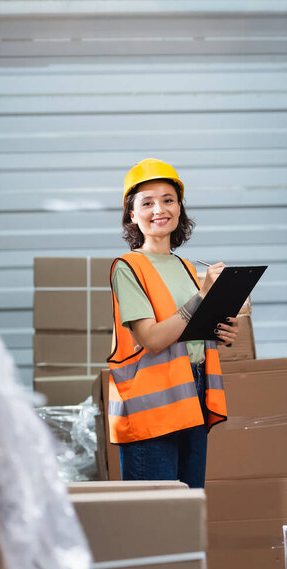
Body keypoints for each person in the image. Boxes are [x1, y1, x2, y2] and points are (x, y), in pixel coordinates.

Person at [107, 158, 239, 488]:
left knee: (188, 511)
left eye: (168, 199)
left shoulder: (183, 266)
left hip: (191, 394)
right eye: (147, 203)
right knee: (156, 521)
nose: (159, 209)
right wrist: (202, 296)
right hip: (150, 406)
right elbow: (151, 339)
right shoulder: (127, 267)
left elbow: (185, 330)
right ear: (132, 216)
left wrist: (219, 332)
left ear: (179, 208)